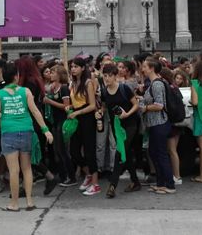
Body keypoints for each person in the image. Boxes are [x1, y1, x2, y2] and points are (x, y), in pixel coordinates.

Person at [0, 62, 54, 212]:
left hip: (8, 133)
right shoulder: (26, 91)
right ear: (16, 77)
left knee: (14, 170)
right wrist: (45, 129)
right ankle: (29, 201)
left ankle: (14, 204)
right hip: (26, 131)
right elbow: (35, 111)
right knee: (27, 168)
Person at [17, 56, 59, 195]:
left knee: (28, 155)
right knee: (28, 156)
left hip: (29, 121)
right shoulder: (35, 80)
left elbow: (29, 104)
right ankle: (27, 185)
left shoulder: (29, 83)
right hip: (33, 120)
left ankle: (48, 177)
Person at [101, 63, 140, 197]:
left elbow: (136, 104)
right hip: (116, 127)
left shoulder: (125, 88)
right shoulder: (104, 92)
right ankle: (135, 181)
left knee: (119, 152)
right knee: (126, 153)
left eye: (110, 76)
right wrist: (99, 112)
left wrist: (127, 114)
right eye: (105, 76)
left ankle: (112, 185)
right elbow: (104, 107)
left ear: (116, 76)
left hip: (130, 124)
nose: (107, 78)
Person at [140, 58, 175, 193]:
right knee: (154, 153)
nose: (143, 69)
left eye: (145, 67)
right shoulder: (154, 83)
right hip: (155, 124)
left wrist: (145, 108)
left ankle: (169, 184)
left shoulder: (157, 84)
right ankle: (161, 183)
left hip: (159, 123)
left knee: (160, 154)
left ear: (152, 68)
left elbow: (159, 105)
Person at [69, 57, 100, 195]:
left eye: (76, 66)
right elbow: (74, 101)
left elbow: (92, 105)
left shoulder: (88, 82)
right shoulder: (73, 82)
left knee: (89, 151)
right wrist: (70, 108)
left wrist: (78, 112)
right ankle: (88, 174)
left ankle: (95, 184)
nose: (73, 69)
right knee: (74, 150)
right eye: (71, 66)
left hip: (87, 117)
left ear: (82, 68)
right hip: (76, 116)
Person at [44, 64, 74, 186]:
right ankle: (62, 175)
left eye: (53, 72)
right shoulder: (52, 88)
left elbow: (66, 106)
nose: (51, 74)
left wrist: (50, 101)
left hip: (62, 121)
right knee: (57, 150)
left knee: (63, 150)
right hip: (55, 121)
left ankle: (70, 176)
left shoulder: (64, 88)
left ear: (60, 74)